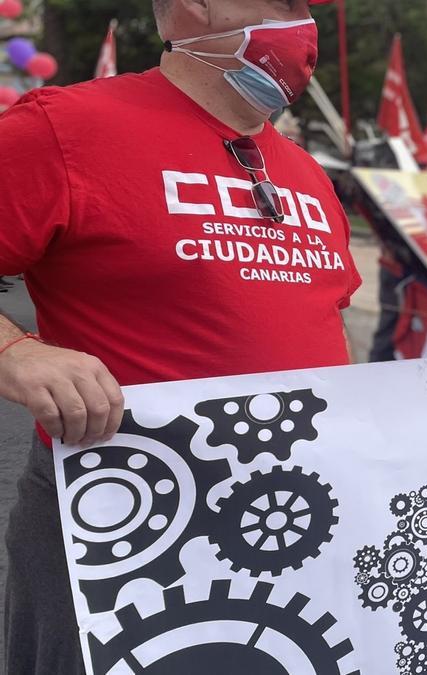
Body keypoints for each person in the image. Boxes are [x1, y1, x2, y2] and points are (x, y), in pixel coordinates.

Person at [0, 1, 360, 672]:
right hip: (120, 534)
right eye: (285, 2)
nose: (305, 24)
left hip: (285, 533)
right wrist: (14, 352)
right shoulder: (65, 129)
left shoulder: (310, 177)